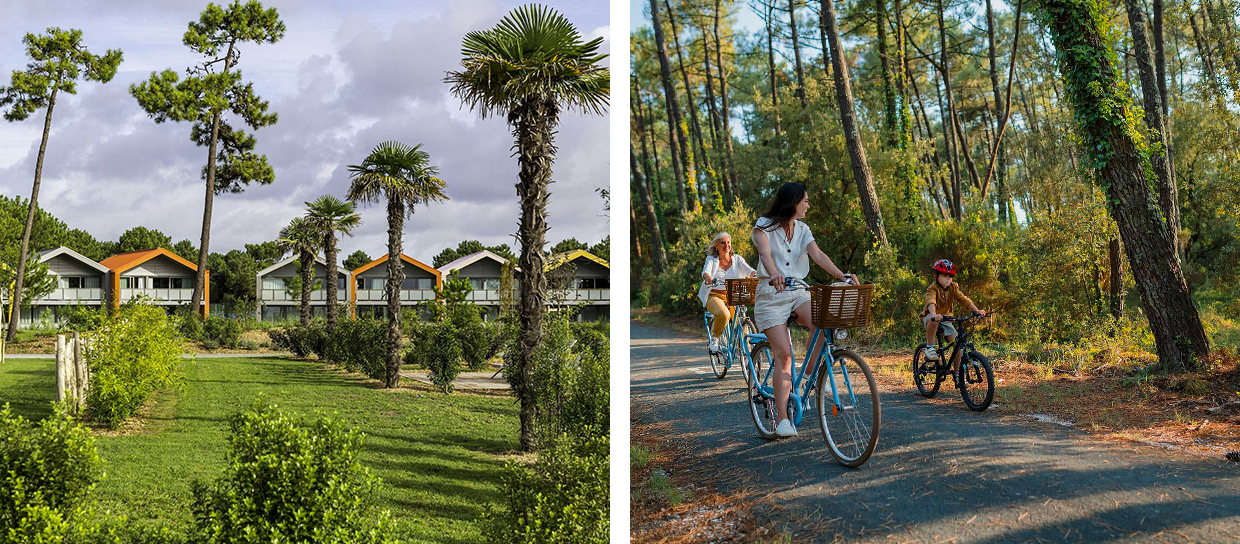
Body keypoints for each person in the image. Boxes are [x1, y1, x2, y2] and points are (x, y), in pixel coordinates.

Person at [751, 183, 856, 439]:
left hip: (797, 292)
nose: (808, 205)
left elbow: (818, 255)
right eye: (806, 201)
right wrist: (774, 273)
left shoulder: (803, 229)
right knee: (784, 356)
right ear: (794, 201)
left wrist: (843, 276)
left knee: (824, 323)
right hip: (771, 297)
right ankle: (783, 420)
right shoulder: (763, 226)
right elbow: (765, 254)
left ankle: (807, 376)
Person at [922, 259, 985, 376]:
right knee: (934, 320)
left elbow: (963, 299)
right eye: (945, 276)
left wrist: (976, 310)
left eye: (950, 276)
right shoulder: (933, 288)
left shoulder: (953, 288)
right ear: (936, 276)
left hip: (945, 319)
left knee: (958, 345)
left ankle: (957, 375)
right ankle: (929, 347)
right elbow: (931, 301)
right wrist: (934, 314)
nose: (948, 279)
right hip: (930, 318)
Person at [699, 232, 756, 353]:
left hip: (735, 293)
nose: (727, 246)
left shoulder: (737, 259)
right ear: (716, 246)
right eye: (723, 243)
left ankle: (746, 354)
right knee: (724, 315)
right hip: (714, 295)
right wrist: (708, 279)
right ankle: (715, 338)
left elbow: (748, 270)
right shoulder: (711, 260)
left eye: (728, 243)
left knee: (741, 322)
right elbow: (705, 272)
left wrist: (756, 275)